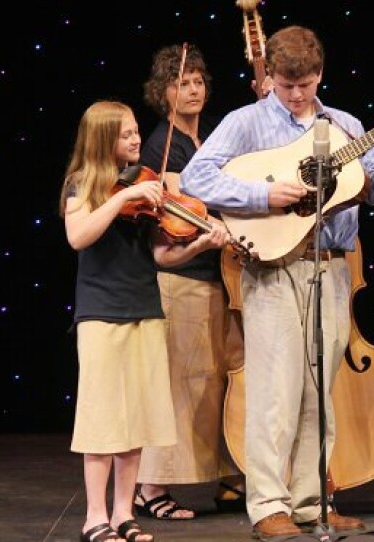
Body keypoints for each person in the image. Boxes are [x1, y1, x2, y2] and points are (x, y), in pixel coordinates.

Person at [179, 25, 374, 539]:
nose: (295, 95)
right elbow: (199, 178)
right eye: (286, 86)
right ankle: (268, 505)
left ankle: (314, 503)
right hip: (272, 267)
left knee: (318, 392)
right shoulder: (247, 122)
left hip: (331, 265)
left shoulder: (345, 124)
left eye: (304, 84)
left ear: (319, 74)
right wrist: (264, 197)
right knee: (274, 392)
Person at [60, 100, 230, 542]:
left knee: (136, 420)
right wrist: (123, 196)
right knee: (102, 420)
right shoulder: (84, 184)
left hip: (145, 309)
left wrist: (200, 246)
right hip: (102, 314)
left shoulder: (142, 187)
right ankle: (93, 517)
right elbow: (79, 236)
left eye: (137, 131)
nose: (138, 140)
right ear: (103, 140)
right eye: (128, 134)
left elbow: (159, 254)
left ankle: (122, 514)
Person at [133, 43, 247, 521]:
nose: (193, 89)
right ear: (163, 92)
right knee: (182, 382)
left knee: (222, 379)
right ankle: (149, 485)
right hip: (182, 276)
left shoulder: (205, 141)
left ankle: (231, 472)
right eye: (183, 82)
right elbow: (184, 211)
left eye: (199, 80)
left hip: (216, 277)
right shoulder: (164, 144)